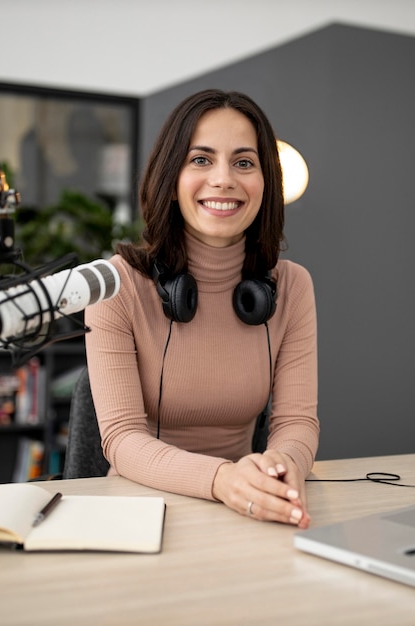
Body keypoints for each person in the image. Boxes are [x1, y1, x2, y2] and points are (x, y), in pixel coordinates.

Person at [85, 89, 318, 528]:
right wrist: (222, 480)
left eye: (244, 162)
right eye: (201, 159)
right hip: (142, 512)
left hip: (247, 507)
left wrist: (281, 469)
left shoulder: (292, 287)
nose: (224, 179)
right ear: (171, 179)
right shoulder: (118, 285)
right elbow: (122, 439)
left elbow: (297, 421)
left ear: (266, 184)